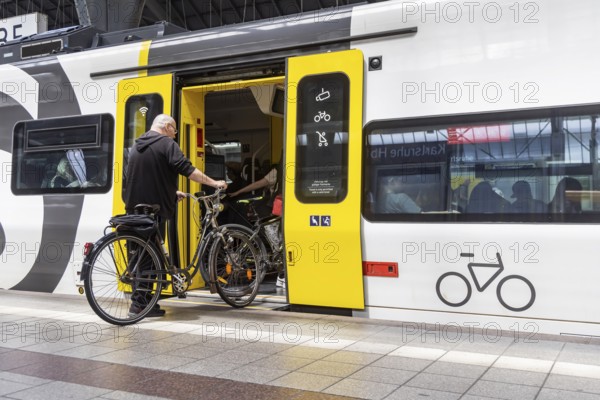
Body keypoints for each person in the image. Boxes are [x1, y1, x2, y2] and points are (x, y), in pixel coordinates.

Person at [125, 114, 227, 317]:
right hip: (153, 211)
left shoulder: (137, 146)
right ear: (167, 127)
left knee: (142, 256)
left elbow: (146, 177)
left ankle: (144, 303)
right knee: (149, 260)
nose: (175, 135)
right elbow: (188, 170)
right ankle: (138, 305)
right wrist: (214, 183)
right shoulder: (166, 144)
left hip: (134, 210)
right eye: (175, 130)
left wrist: (171, 192)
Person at [228, 159, 285, 288]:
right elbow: (259, 184)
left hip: (276, 211)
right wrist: (238, 192)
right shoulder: (279, 171)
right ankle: (281, 276)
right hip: (271, 211)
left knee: (279, 242)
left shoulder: (282, 169)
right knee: (277, 244)